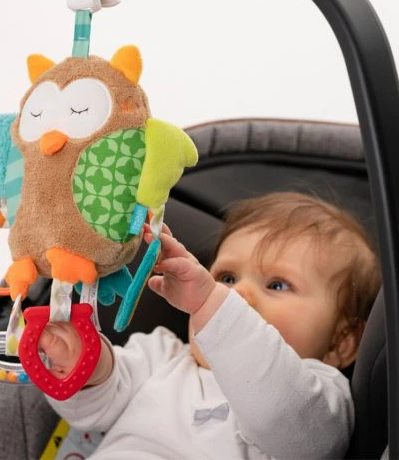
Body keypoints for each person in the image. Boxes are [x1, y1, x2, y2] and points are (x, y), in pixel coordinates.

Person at [38, 192, 381, 459]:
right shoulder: (161, 354)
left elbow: (284, 421)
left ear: (342, 342)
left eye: (277, 285)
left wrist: (215, 307)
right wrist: (86, 362)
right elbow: (93, 410)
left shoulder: (323, 394)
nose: (237, 294)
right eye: (227, 278)